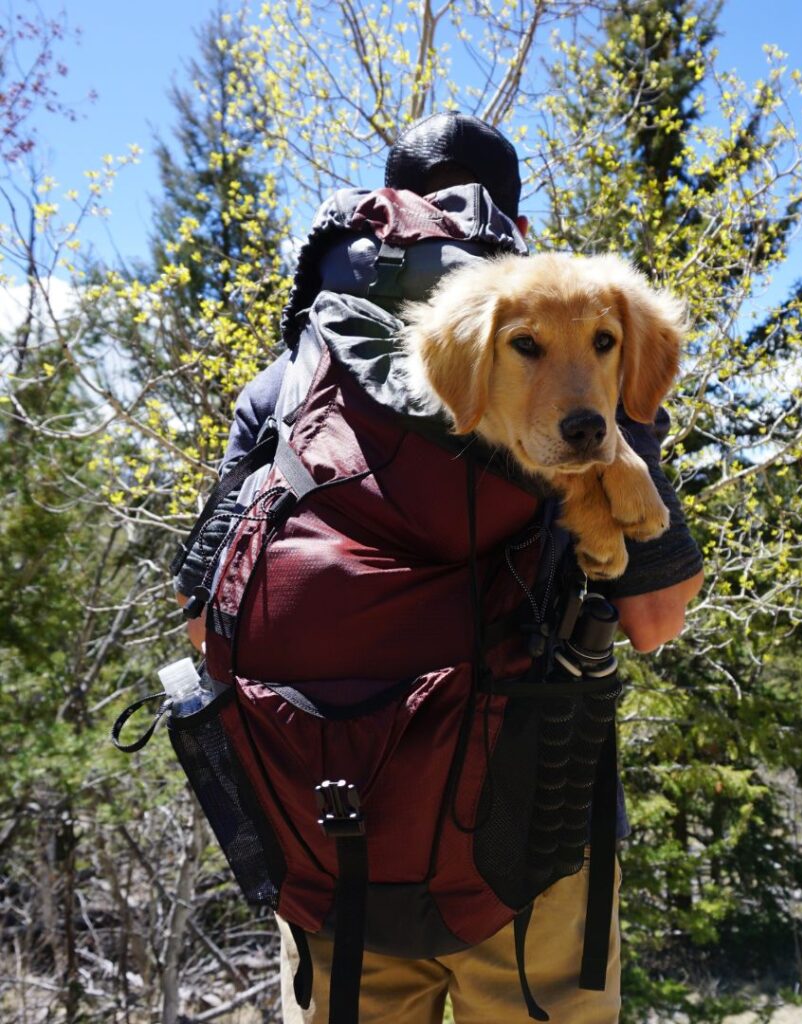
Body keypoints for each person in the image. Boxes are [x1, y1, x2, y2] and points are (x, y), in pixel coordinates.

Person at [174, 112, 704, 1023]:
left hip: (335, 836)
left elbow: (202, 614)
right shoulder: (579, 352)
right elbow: (657, 621)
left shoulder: (292, 381)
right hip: (533, 839)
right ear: (518, 232)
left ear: (389, 213)